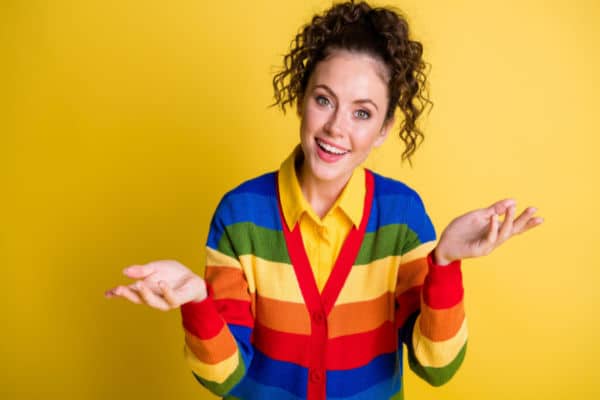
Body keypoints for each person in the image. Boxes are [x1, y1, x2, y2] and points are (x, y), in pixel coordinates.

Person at [105, 1, 543, 399]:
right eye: (323, 100)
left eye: (362, 113)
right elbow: (224, 376)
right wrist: (197, 301)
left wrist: (445, 264)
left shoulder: (402, 216)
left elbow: (437, 368)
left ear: (385, 127)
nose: (336, 127)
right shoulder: (240, 215)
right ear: (301, 99)